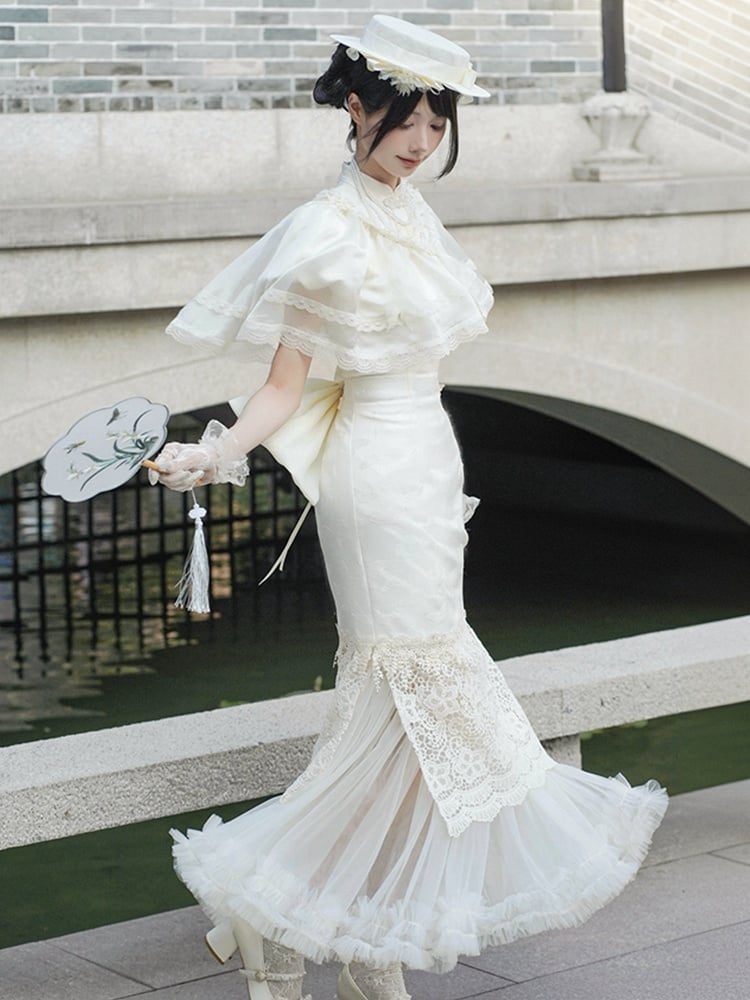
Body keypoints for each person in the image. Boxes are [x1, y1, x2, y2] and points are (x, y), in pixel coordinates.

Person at [150, 15, 668, 1000]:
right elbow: (284, 384)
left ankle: (345, 926)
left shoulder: (408, 212)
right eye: (406, 119)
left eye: (438, 120)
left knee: (396, 712)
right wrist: (217, 452)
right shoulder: (328, 230)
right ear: (356, 108)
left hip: (425, 466)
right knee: (418, 688)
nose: (423, 139)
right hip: (373, 478)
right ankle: (290, 911)